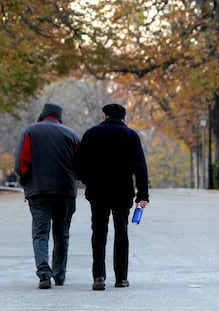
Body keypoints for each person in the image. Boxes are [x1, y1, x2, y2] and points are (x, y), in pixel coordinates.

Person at [75, 103, 149, 291]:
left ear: (105, 116)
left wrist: (88, 181)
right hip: (122, 191)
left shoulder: (91, 134)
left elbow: (79, 164)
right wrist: (143, 194)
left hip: (98, 191)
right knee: (121, 232)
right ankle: (121, 278)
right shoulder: (131, 136)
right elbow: (140, 167)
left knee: (99, 233)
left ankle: (99, 276)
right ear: (123, 118)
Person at [15, 103, 80, 289]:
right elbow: (80, 165)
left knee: (40, 233)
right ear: (59, 117)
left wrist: (26, 180)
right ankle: (59, 275)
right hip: (65, 192)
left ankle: (44, 274)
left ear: (42, 115)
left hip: (39, 191)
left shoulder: (31, 131)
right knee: (62, 234)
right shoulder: (72, 135)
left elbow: (22, 162)